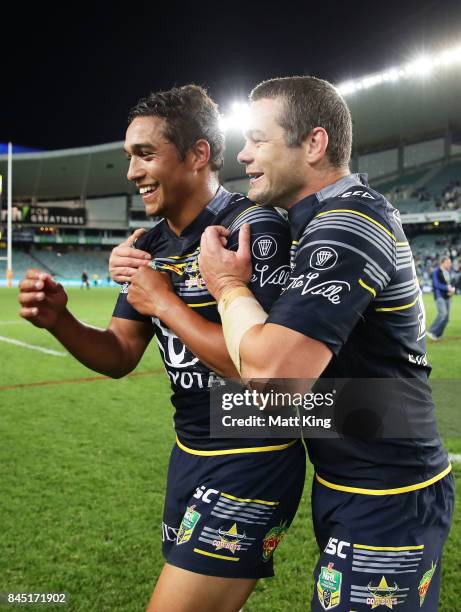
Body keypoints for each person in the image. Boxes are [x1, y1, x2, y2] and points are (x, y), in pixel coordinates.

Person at [17, 85, 305, 612]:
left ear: (198, 155)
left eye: (145, 155)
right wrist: (60, 321)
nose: (131, 172)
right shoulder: (149, 247)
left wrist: (166, 304)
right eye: (129, 157)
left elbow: (269, 376)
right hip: (189, 455)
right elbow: (121, 353)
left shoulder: (250, 228)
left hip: (252, 455)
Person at [198, 76, 454, 611]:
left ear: (314, 144)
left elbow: (274, 383)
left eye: (257, 140)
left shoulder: (348, 224)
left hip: (389, 489)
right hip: (352, 473)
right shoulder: (317, 222)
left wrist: (226, 285)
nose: (241, 156)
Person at [427, 255, 455, 340]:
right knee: (442, 314)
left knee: (446, 319)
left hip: (447, 297)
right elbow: (436, 284)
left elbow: (448, 283)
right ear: (443, 262)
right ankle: (431, 331)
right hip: (439, 296)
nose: (450, 264)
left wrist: (451, 290)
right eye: (448, 262)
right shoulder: (436, 271)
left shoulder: (447, 272)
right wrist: (447, 288)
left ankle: (438, 335)